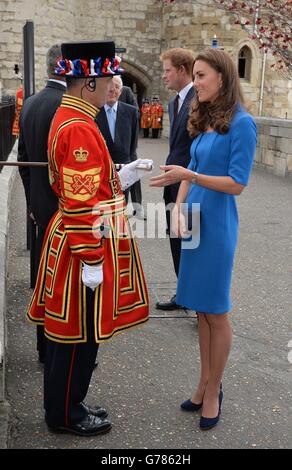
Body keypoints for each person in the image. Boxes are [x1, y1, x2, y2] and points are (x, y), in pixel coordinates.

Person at [27, 40, 149, 436]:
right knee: (75, 337)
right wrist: (92, 258)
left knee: (80, 334)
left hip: (79, 239)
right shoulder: (79, 124)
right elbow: (80, 203)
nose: (114, 83)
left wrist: (122, 175)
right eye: (109, 77)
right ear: (90, 82)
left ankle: (71, 402)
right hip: (82, 245)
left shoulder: (75, 114)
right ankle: (64, 415)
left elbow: (88, 183)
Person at [150, 48, 257, 430]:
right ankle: (203, 382)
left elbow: (237, 183)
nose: (195, 83)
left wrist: (189, 179)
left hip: (218, 222)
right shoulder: (206, 116)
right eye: (193, 76)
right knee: (200, 309)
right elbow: (190, 167)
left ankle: (214, 390)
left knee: (217, 310)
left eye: (200, 76)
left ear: (223, 78)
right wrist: (178, 208)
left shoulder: (242, 124)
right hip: (194, 217)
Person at [18, 44, 66, 364]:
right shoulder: (71, 106)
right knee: (64, 280)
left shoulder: (31, 103)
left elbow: (23, 160)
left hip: (40, 208)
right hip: (66, 211)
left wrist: (33, 203)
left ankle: (43, 347)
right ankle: (61, 348)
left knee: (42, 277)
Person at [156, 48, 195, 311]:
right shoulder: (174, 102)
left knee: (193, 243)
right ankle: (183, 293)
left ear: (182, 70)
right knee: (177, 242)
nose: (164, 75)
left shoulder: (199, 99)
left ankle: (198, 300)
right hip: (172, 183)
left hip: (190, 185)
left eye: (168, 70)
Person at [96, 74, 139, 208]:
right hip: (101, 173)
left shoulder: (131, 112)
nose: (112, 90)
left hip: (123, 172)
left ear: (120, 92)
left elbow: (133, 145)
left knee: (120, 211)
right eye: (109, 85)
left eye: (116, 87)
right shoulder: (94, 111)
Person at [119, 82, 146, 220]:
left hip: (128, 140)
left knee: (135, 175)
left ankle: (138, 208)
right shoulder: (102, 88)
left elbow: (136, 111)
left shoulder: (126, 90)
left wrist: (119, 111)